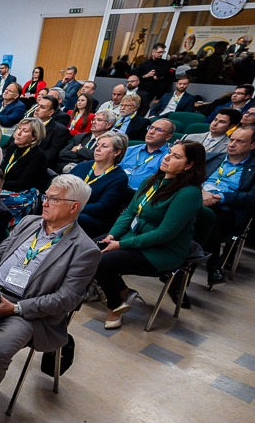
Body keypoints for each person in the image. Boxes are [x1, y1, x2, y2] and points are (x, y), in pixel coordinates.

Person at [0, 175, 100, 423]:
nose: (44, 202)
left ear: (74, 207)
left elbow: (67, 298)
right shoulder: (29, 222)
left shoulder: (85, 250)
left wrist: (16, 308)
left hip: (27, 312)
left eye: (53, 199)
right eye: (46, 196)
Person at [95, 140, 206, 328]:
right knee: (90, 249)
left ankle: (114, 305)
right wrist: (112, 235)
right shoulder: (152, 181)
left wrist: (121, 244)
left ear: (189, 165)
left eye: (176, 156)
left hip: (162, 251)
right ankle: (122, 291)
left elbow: (164, 233)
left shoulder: (189, 193)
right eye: (169, 152)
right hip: (135, 237)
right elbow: (130, 213)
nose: (167, 157)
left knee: (103, 262)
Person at [201, 126, 255, 286]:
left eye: (239, 141)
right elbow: (191, 178)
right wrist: (201, 192)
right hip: (198, 200)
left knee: (209, 220)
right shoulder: (210, 158)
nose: (232, 144)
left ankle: (185, 271)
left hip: (227, 211)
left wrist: (221, 197)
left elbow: (254, 197)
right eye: (231, 139)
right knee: (202, 217)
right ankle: (214, 266)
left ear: (254, 145)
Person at [69, 132, 131, 237]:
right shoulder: (83, 165)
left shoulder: (119, 178)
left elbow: (102, 207)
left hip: (93, 219)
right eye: (97, 145)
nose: (97, 149)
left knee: (69, 216)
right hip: (70, 208)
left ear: (117, 152)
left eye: (104, 146)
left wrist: (72, 208)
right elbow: (63, 185)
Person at [0, 117, 50, 220]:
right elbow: (1, 172)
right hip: (5, 189)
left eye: (25, 131)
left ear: (34, 137)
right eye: (19, 128)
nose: (18, 133)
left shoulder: (38, 156)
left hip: (25, 196)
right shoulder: (13, 148)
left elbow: (22, 184)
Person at [120, 118, 175, 191]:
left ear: (168, 137)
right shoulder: (130, 150)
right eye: (151, 128)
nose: (151, 132)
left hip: (139, 194)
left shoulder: (168, 157)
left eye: (159, 130)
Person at [32, 95, 73, 170]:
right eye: (38, 105)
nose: (36, 109)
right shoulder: (26, 123)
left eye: (42, 107)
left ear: (50, 112)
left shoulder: (60, 131)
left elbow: (50, 157)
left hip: (38, 167)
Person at [133, 43, 175, 110]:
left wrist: (160, 77)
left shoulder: (166, 64)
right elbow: (135, 77)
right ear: (153, 52)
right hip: (146, 91)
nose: (161, 54)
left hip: (160, 93)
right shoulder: (145, 64)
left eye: (163, 52)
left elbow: (169, 78)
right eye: (159, 52)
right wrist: (146, 75)